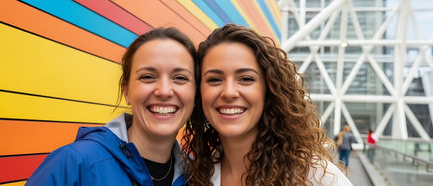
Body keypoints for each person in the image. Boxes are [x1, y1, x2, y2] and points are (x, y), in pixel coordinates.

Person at [182, 24, 352, 185]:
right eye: (214, 79)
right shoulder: (195, 177)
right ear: (199, 92)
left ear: (269, 90)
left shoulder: (315, 178)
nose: (229, 92)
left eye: (246, 79)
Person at [26, 27, 197, 186]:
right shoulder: (74, 163)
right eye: (147, 76)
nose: (164, 91)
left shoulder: (198, 176)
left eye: (180, 78)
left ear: (196, 94)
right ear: (126, 90)